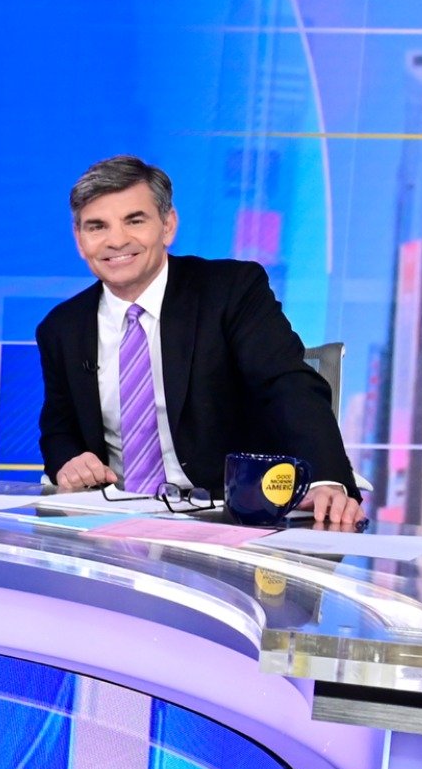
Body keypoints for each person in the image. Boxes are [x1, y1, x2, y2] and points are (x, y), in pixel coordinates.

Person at [36, 155, 363, 527]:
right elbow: (58, 428)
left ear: (168, 225)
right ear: (80, 241)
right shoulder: (61, 328)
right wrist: (68, 461)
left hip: (233, 515)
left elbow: (288, 385)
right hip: (117, 522)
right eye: (97, 227)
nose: (116, 240)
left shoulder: (230, 291)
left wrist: (324, 478)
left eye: (135, 220)